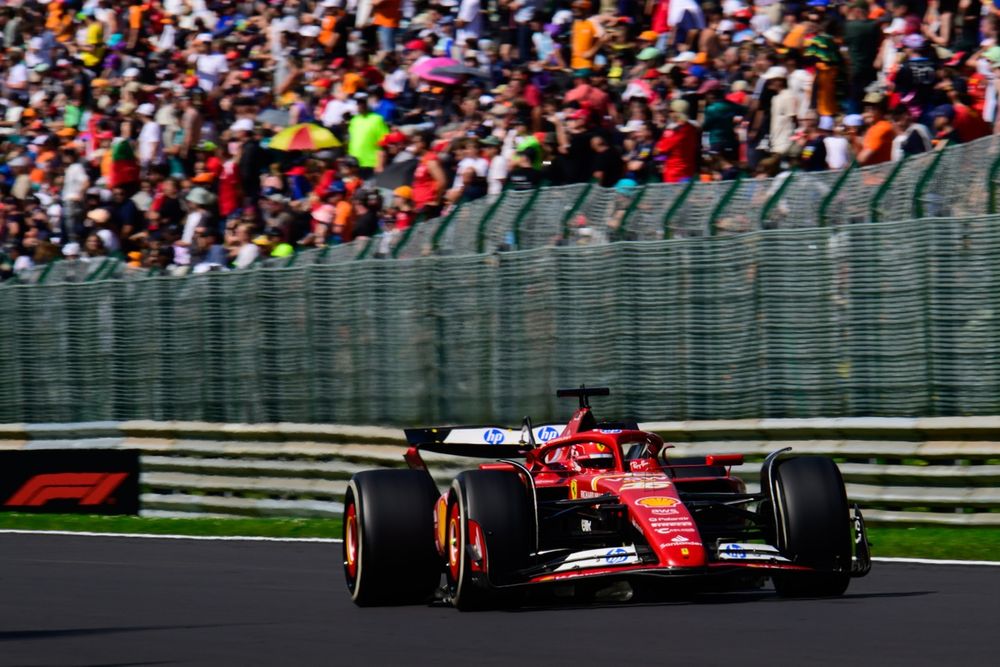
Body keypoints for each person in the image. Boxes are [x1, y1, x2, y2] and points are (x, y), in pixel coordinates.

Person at [655, 100, 700, 183]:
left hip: (674, 174)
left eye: (671, 111)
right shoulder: (692, 128)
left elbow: (659, 150)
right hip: (689, 171)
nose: (669, 114)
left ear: (677, 113)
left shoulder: (675, 131)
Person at [856, 93, 896, 165]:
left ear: (881, 110)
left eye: (872, 108)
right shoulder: (873, 127)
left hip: (877, 174)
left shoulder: (880, 128)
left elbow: (862, 159)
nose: (868, 111)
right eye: (866, 108)